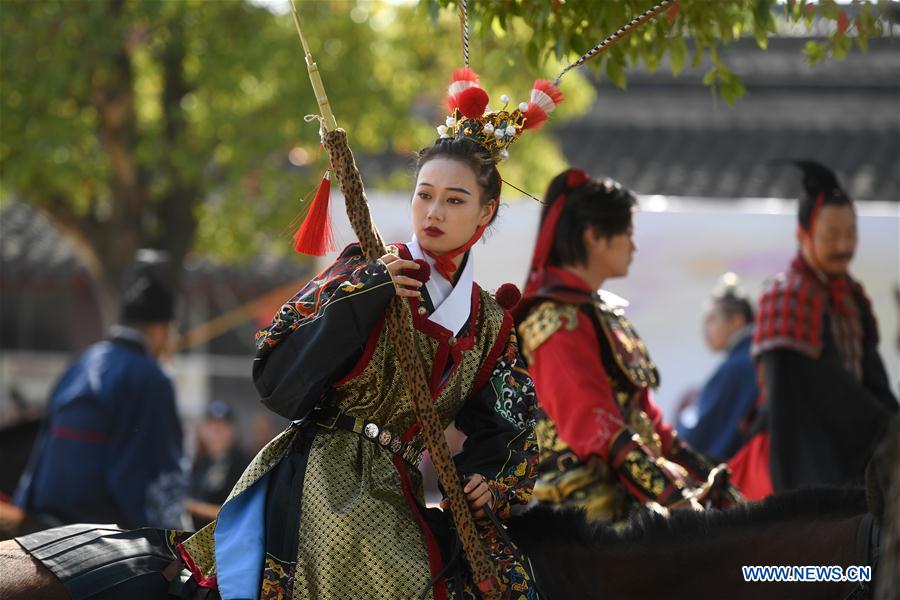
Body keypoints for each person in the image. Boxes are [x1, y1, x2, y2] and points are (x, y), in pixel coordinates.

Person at [13, 69, 543, 600]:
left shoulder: (491, 323)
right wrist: (367, 293)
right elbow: (276, 374)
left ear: (486, 211)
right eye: (424, 194)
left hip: (401, 484)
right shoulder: (366, 268)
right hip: (326, 477)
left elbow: (509, 428)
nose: (433, 211)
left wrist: (488, 480)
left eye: (454, 200)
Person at [515, 169, 741, 524]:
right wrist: (678, 500)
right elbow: (597, 428)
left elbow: (649, 420)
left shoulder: (599, 313)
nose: (634, 247)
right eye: (628, 235)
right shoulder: (556, 322)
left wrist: (712, 479)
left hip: (629, 492)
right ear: (594, 236)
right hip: (585, 511)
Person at [729, 161, 898, 499]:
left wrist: (893, 426)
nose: (843, 246)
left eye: (850, 234)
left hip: (852, 442)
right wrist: (883, 428)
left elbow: (872, 377)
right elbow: (821, 388)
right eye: (831, 235)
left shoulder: (851, 294)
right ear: (802, 235)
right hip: (801, 455)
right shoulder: (787, 295)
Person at [13, 250, 187, 532]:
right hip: (101, 530)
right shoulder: (152, 379)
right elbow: (164, 480)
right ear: (160, 330)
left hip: (42, 518)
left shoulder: (80, 363)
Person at [677, 273, 759, 462]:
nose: (706, 329)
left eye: (712, 320)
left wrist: (685, 413)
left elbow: (697, 436)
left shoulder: (737, 367)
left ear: (737, 320)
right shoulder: (755, 358)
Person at [185, 401, 251, 530]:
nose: (216, 434)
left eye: (222, 428)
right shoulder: (202, 462)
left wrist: (194, 507)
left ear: (232, 431)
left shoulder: (243, 464)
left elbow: (239, 514)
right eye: (212, 427)